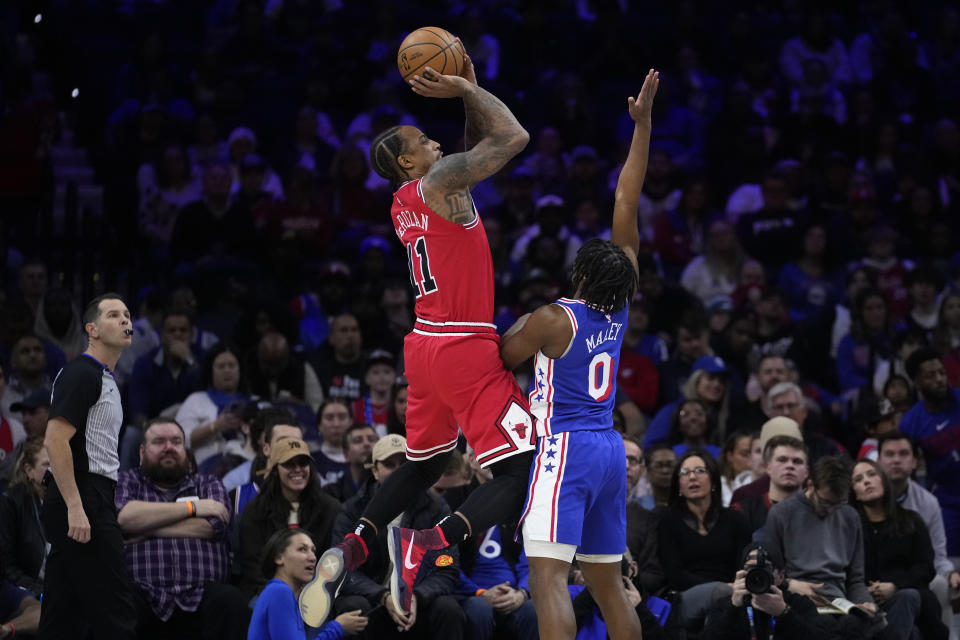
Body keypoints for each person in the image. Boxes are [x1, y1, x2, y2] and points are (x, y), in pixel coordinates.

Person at [307, 50, 537, 623]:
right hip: (463, 344)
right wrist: (463, 85)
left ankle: (357, 540)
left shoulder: (407, 198)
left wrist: (469, 94)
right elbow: (514, 137)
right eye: (424, 141)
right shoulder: (438, 182)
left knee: (427, 463)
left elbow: (468, 152)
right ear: (410, 162)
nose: (436, 142)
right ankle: (429, 542)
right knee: (521, 469)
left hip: (425, 343)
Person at [490, 69, 659, 640]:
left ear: (581, 273)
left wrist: (520, 322)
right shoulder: (621, 303)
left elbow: (505, 353)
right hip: (611, 448)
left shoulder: (552, 318)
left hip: (565, 448)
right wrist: (643, 127)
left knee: (548, 578)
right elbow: (626, 197)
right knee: (607, 582)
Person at [39, 292, 139, 638]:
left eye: (127, 314)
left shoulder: (105, 377)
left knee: (62, 613)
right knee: (117, 611)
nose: (126, 320)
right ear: (92, 329)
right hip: (84, 497)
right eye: (114, 315)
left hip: (87, 494)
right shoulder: (82, 373)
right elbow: (55, 439)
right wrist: (75, 506)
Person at [115, 418, 249, 639]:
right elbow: (124, 517)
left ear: (185, 450)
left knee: (232, 602)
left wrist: (144, 529)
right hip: (141, 593)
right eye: (159, 441)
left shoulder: (209, 483)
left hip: (203, 595)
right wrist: (193, 507)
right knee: (113, 601)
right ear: (141, 451)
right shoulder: (125, 481)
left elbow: (211, 527)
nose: (169, 447)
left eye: (176, 441)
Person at [327, 435, 465, 638]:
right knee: (353, 606)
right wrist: (383, 596)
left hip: (418, 600)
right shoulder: (353, 510)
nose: (400, 472)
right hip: (373, 598)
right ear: (374, 471)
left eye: (405, 464)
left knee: (448, 609)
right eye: (390, 465)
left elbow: (446, 569)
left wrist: (417, 596)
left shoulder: (437, 509)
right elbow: (342, 569)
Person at [763, 457, 878, 621]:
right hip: (798, 594)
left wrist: (865, 603)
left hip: (839, 599)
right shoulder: (782, 514)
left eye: (838, 503)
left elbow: (855, 580)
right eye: (825, 502)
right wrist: (788, 584)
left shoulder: (850, 516)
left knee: (874, 621)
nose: (831, 509)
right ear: (810, 485)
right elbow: (770, 572)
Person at [850, 459, 949, 640]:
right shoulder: (849, 527)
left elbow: (925, 567)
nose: (866, 481)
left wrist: (895, 586)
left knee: (907, 597)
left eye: (872, 474)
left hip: (909, 594)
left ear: (883, 481)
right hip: (864, 601)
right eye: (858, 479)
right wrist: (866, 591)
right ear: (854, 492)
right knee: (912, 634)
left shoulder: (911, 520)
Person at [876, 431, 960, 636]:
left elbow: (938, 556)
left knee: (942, 583)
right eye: (889, 454)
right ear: (878, 460)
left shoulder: (928, 503)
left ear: (914, 462)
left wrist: (950, 573)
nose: (896, 460)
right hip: (874, 574)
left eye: (903, 454)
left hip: (915, 575)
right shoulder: (865, 496)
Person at [658, 450, 752, 632]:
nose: (692, 477)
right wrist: (721, 587)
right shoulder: (668, 522)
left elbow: (742, 564)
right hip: (686, 596)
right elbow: (675, 574)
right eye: (685, 473)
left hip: (732, 591)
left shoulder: (735, 519)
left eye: (700, 471)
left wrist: (732, 587)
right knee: (727, 597)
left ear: (713, 480)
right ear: (678, 485)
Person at [240, 437, 340, 598]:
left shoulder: (330, 508)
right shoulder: (256, 511)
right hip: (268, 592)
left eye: (303, 463)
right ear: (274, 470)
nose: (298, 469)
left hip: (320, 594)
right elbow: (254, 567)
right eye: (289, 464)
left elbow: (334, 560)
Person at [248, 529, 368, 640]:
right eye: (302, 549)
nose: (313, 558)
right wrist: (337, 627)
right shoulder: (279, 592)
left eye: (313, 551)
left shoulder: (279, 592)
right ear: (279, 557)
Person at [899, 347, 960, 556]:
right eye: (931, 375)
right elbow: (910, 472)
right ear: (916, 381)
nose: (940, 379)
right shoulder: (910, 425)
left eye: (942, 373)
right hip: (948, 504)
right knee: (951, 566)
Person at [701, 543, 829, 640]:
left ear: (780, 576)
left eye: (765, 569)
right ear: (740, 573)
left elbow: (822, 637)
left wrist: (784, 613)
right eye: (751, 568)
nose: (757, 575)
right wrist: (732, 607)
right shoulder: (727, 605)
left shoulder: (797, 603)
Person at [175, 342, 248, 469]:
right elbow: (179, 440)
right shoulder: (195, 401)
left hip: (246, 469)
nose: (227, 370)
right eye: (221, 366)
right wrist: (215, 427)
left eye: (231, 365)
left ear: (240, 369)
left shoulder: (255, 403)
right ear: (211, 372)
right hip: (204, 470)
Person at [0, 439, 49, 595]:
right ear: (29, 471)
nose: (54, 470)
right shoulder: (11, 502)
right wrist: (41, 592)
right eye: (47, 464)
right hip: (26, 591)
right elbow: (7, 568)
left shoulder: (69, 501)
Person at [732, 436, 809, 534]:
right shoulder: (743, 511)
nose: (790, 466)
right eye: (782, 460)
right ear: (768, 467)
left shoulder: (818, 512)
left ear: (806, 471)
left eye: (797, 461)